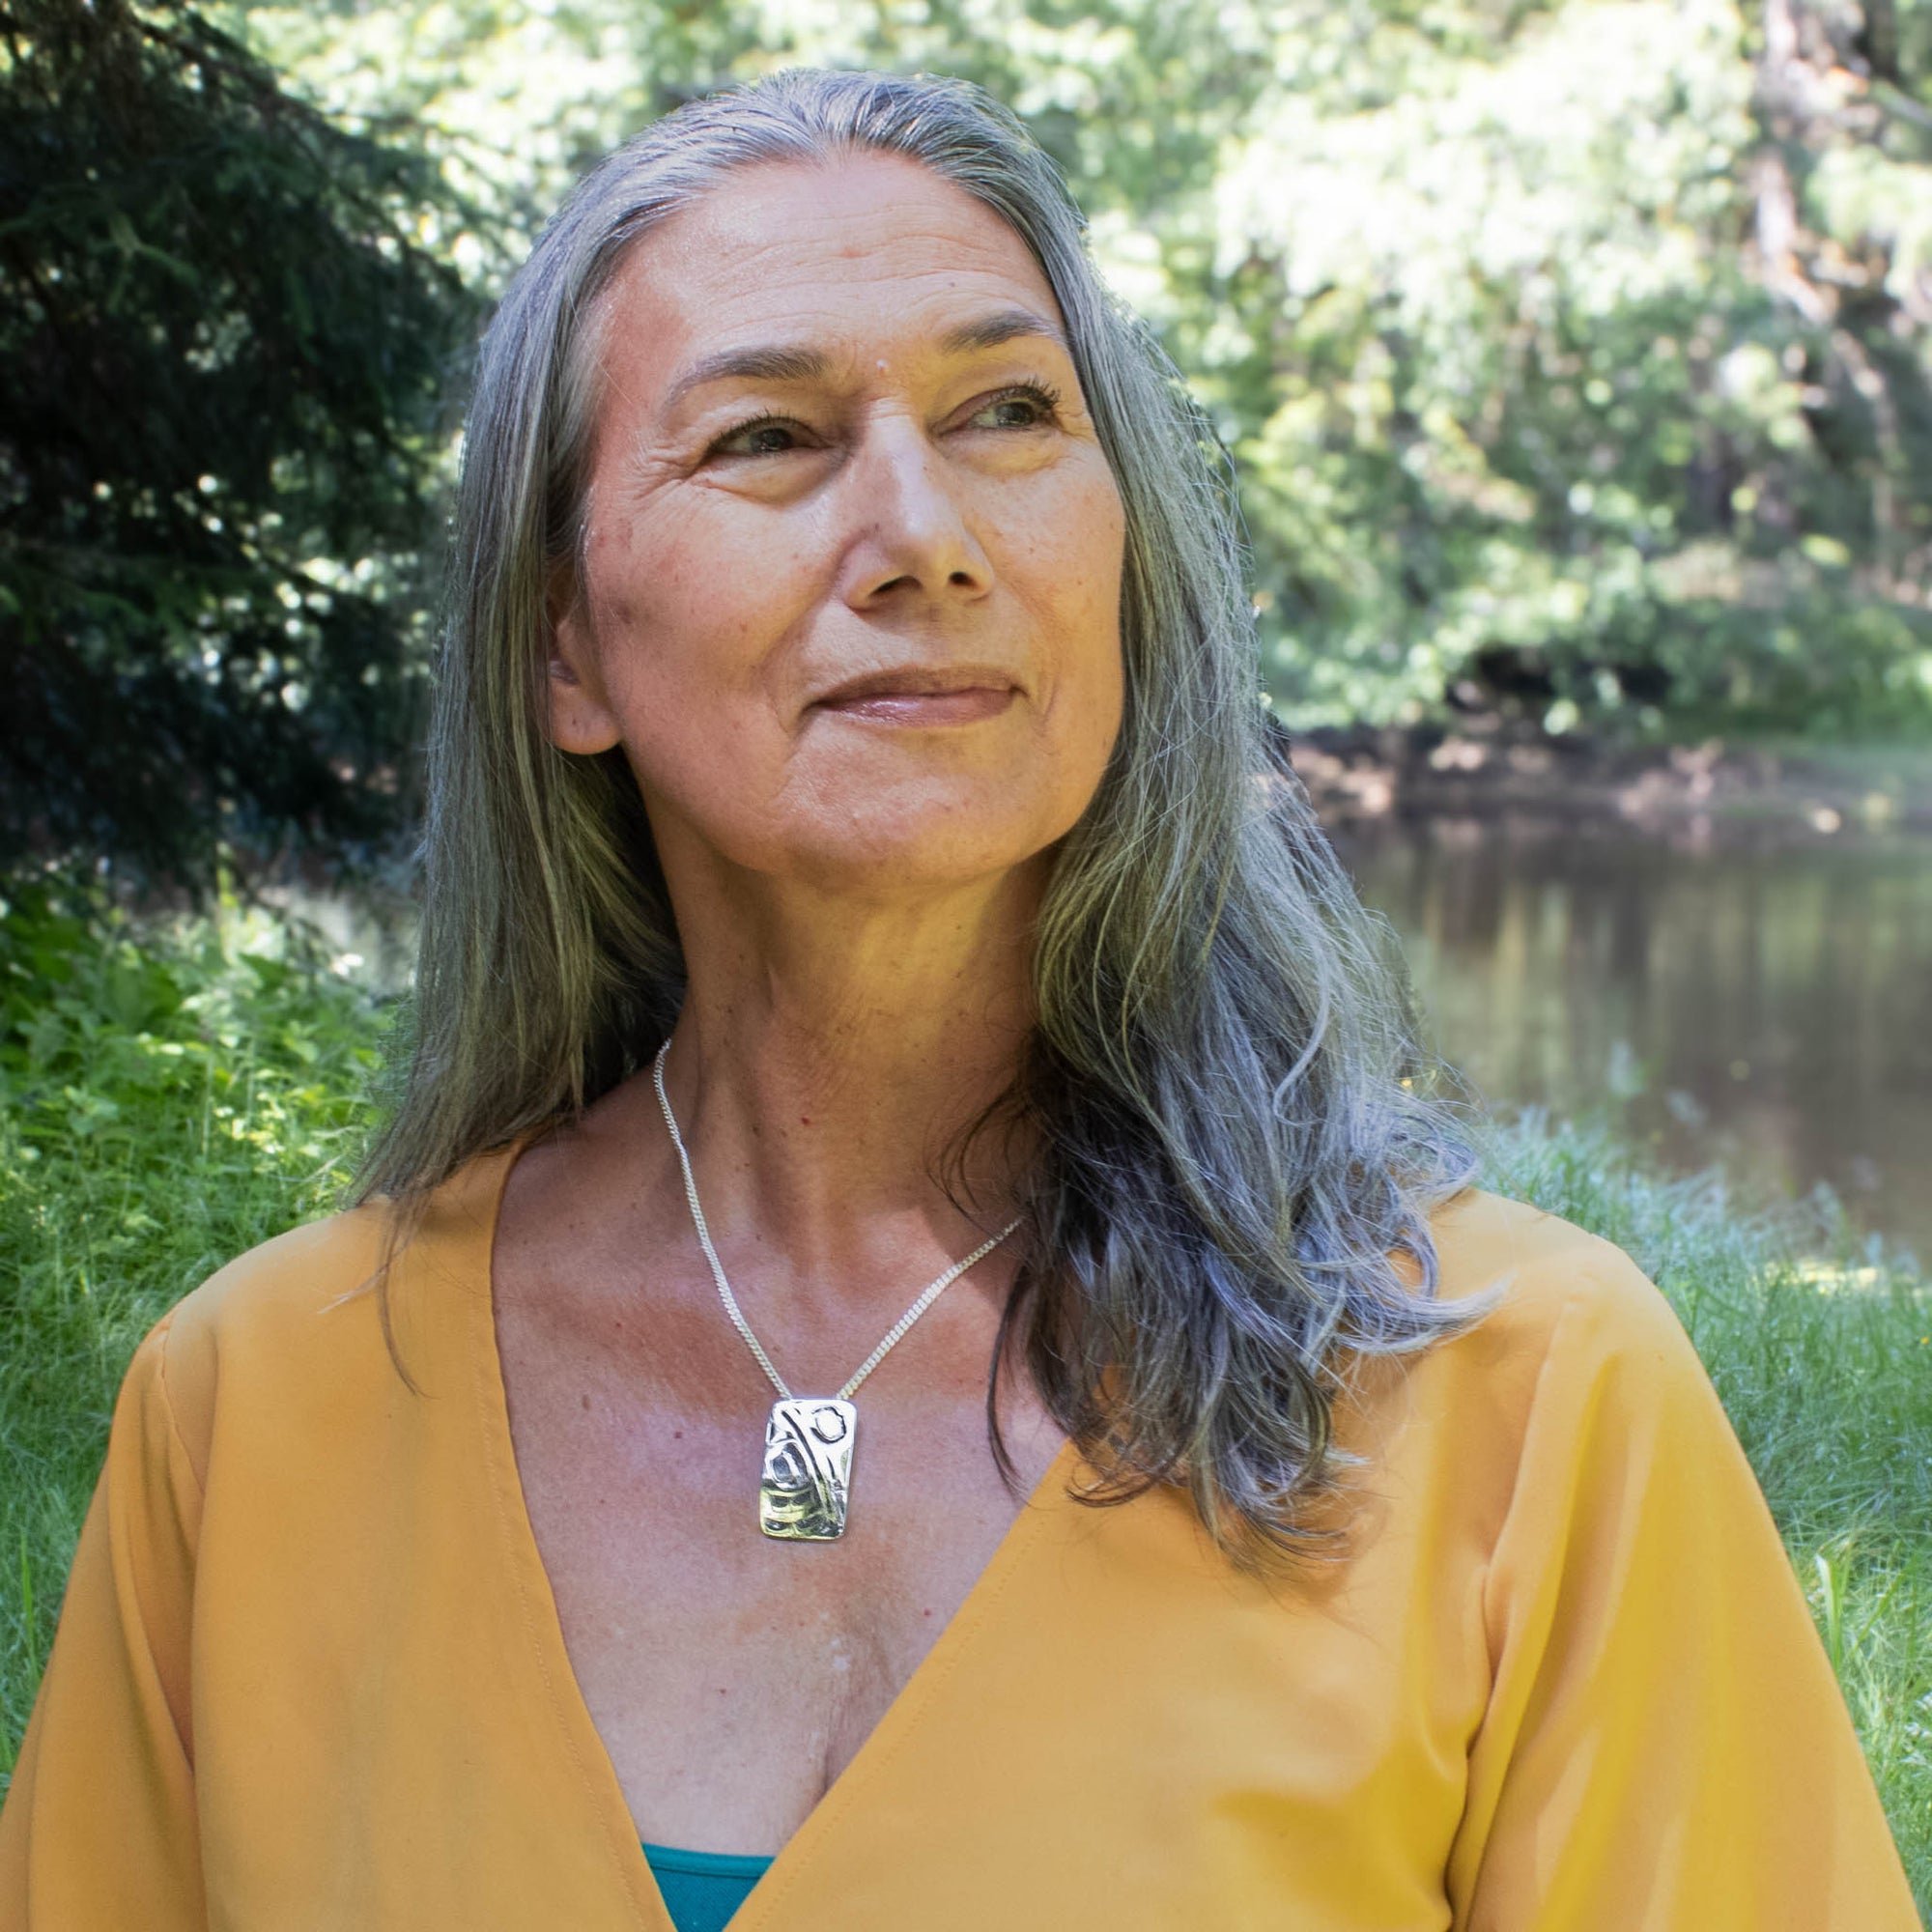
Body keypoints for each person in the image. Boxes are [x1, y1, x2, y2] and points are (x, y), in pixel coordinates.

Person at [0, 67, 1918, 1932]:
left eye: (1006, 411)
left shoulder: (1513, 1398)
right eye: (765, 438)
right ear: (564, 645)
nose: (921, 530)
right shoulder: (259, 1417)